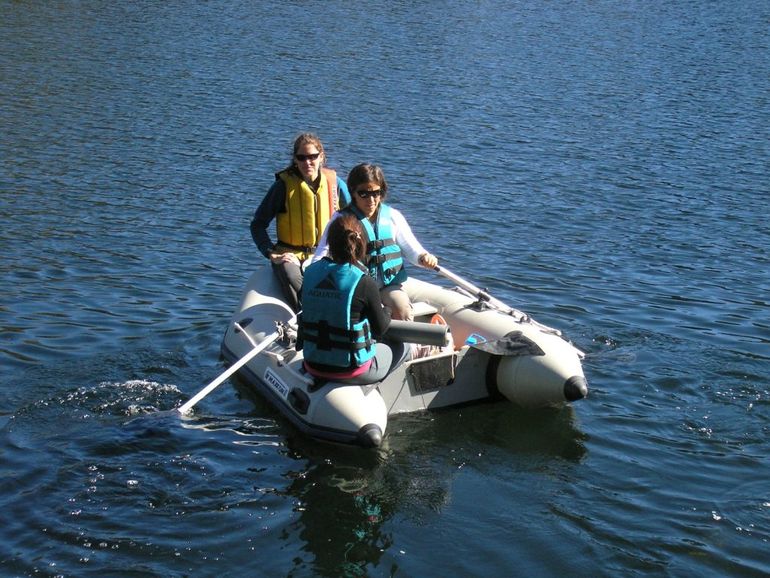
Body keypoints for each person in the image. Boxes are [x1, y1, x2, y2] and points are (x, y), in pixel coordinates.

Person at [313, 163, 437, 321]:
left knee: (402, 308)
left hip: (387, 285)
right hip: (355, 285)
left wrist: (423, 257)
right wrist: (313, 277)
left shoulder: (393, 216)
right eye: (363, 194)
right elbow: (321, 254)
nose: (371, 200)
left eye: (376, 193)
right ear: (353, 193)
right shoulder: (340, 220)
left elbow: (412, 249)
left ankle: (401, 344)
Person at [299, 214, 410, 384]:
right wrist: (387, 310)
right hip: (352, 369)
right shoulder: (364, 282)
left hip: (312, 364)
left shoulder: (310, 274)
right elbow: (380, 329)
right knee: (403, 346)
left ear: (330, 243)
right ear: (360, 244)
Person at [250, 133, 351, 312]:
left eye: (312, 157)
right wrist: (270, 253)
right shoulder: (282, 186)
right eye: (301, 158)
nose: (307, 162)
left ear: (321, 156)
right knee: (292, 276)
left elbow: (353, 218)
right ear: (295, 159)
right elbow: (257, 225)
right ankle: (307, 318)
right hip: (291, 256)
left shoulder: (335, 184)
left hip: (325, 255)